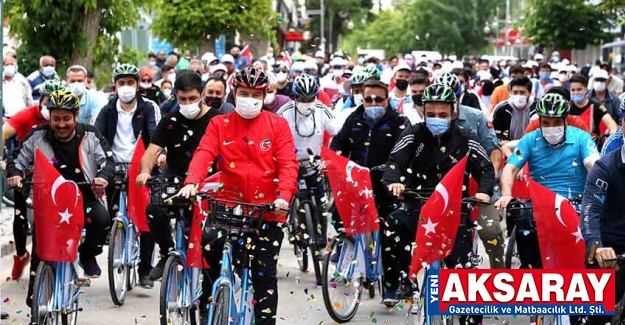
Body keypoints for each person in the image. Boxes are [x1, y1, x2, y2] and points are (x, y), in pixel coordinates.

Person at [178, 67, 298, 325]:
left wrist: (283, 197)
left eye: (256, 93)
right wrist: (191, 182)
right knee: (209, 247)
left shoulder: (278, 125)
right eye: (244, 92)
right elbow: (204, 153)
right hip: (227, 209)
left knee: (264, 277)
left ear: (264, 95)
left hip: (267, 210)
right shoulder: (219, 123)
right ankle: (208, 307)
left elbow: (288, 165)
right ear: (234, 93)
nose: (250, 98)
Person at [382, 83, 494, 307]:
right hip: (418, 205)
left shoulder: (466, 136)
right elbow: (394, 162)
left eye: (442, 114)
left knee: (464, 277)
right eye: (431, 113)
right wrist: (394, 182)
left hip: (455, 211)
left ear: (453, 113)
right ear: (423, 112)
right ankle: (398, 282)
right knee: (392, 224)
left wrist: (483, 191)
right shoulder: (412, 133)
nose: (436, 118)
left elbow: (486, 168)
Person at [7, 89, 114, 306]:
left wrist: (102, 177)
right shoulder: (37, 135)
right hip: (48, 202)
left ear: (76, 116)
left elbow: (107, 162)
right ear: (49, 117)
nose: (62, 124)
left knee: (102, 221)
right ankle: (36, 305)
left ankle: (86, 254)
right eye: (56, 119)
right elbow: (17, 158)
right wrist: (16, 174)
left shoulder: (90, 135)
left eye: (67, 118)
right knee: (40, 251)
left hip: (83, 195)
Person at [135, 71, 222, 285]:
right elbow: (151, 152)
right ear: (175, 96)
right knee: (153, 210)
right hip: (174, 181)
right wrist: (145, 171)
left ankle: (206, 300)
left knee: (210, 242)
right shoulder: (170, 121)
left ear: (202, 95)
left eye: (192, 98)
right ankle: (167, 252)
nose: (188, 103)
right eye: (182, 99)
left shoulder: (217, 121)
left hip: (208, 184)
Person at [495, 93, 600, 269]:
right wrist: (506, 195)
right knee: (526, 239)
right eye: (546, 123)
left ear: (566, 121)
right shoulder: (530, 139)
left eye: (556, 122)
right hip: (541, 206)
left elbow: (593, 164)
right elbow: (510, 169)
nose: (551, 127)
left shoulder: (582, 137)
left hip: (576, 206)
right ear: (539, 121)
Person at [94, 63, 161, 288]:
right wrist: (101, 162)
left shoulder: (148, 108)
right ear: (115, 86)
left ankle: (144, 270)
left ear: (137, 85)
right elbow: (97, 137)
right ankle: (116, 239)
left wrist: (154, 159)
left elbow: (154, 135)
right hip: (114, 166)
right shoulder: (107, 109)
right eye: (121, 83)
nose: (126, 87)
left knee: (146, 217)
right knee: (113, 214)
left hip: (141, 166)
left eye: (130, 83)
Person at [433, 72, 504, 268]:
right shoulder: (425, 122)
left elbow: (494, 149)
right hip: (438, 188)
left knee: (491, 232)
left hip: (476, 186)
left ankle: (500, 273)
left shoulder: (476, 117)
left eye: (450, 99)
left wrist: (491, 175)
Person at [3, 80, 66, 281]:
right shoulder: (29, 115)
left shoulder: (64, 118)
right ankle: (21, 254)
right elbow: (4, 132)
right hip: (28, 171)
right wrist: (4, 160)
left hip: (57, 171)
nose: (52, 106)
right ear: (41, 101)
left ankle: (65, 260)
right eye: (48, 101)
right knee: (20, 216)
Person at [581, 104, 625, 325]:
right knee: (599, 313)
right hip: (611, 251)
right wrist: (596, 246)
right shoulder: (605, 166)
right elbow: (590, 210)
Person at [277, 74, 340, 159]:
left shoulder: (322, 110)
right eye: (302, 100)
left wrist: (332, 155)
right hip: (290, 163)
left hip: (316, 163)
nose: (306, 103)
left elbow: (339, 133)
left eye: (310, 100)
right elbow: (274, 137)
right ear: (295, 97)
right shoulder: (285, 112)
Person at [492, 76, 537, 157]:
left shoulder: (537, 107)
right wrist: (501, 139)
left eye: (522, 92)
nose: (518, 95)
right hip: (507, 150)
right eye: (515, 92)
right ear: (510, 92)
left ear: (530, 93)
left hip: (532, 148)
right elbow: (492, 130)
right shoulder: (501, 108)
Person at [568, 74, 618, 143]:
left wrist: (611, 139)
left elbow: (611, 125)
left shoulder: (596, 107)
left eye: (579, 89)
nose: (576, 93)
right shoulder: (567, 107)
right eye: (573, 90)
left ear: (586, 89)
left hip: (592, 145)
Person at [3, 54, 33, 119]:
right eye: (7, 64)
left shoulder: (22, 80)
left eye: (11, 64)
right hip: (5, 119)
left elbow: (29, 99)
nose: (10, 66)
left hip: (22, 117)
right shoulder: (2, 82)